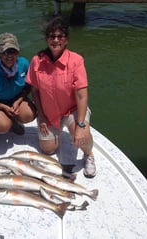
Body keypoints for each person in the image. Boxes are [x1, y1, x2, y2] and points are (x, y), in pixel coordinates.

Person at [26, 17, 96, 178]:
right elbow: (34, 90)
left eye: (60, 36)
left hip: (72, 111)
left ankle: (89, 155)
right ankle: (56, 133)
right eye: (52, 36)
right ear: (46, 39)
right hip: (49, 114)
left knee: (83, 137)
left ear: (66, 39)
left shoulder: (76, 61)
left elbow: (81, 94)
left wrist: (80, 124)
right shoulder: (37, 61)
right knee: (48, 149)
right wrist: (41, 116)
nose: (56, 40)